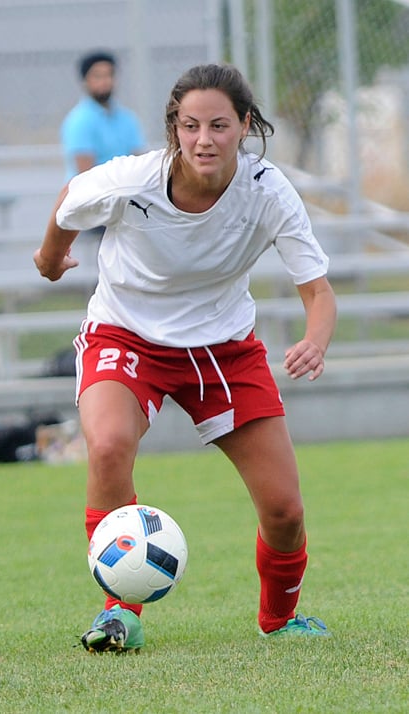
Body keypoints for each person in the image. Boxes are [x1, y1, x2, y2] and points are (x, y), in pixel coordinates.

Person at [34, 63, 337, 652]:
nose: (204, 140)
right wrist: (51, 259)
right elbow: (70, 200)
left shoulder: (268, 189)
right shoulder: (132, 179)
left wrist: (316, 339)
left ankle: (280, 618)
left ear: (244, 126)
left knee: (284, 510)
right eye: (191, 125)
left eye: (220, 126)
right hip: (125, 337)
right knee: (108, 446)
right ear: (174, 126)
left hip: (223, 351)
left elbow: (318, 292)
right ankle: (118, 611)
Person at [61, 50, 147, 181]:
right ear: (85, 80)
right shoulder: (79, 121)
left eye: (109, 75)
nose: (105, 81)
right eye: (97, 76)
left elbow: (139, 161)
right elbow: (85, 175)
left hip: (126, 193)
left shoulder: (128, 118)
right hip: (93, 196)